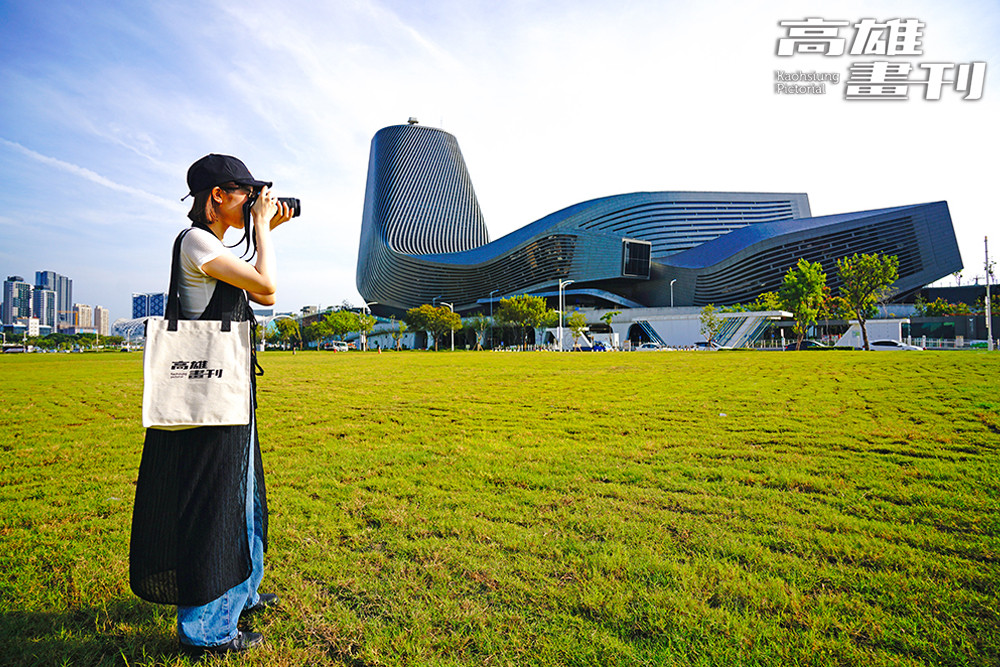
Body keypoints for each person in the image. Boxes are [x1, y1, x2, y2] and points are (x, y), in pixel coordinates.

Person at [129, 154, 294, 657]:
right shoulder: (198, 241)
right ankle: (206, 629)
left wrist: (264, 228)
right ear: (216, 197)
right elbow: (266, 289)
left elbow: (254, 283)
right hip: (207, 396)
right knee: (215, 503)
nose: (253, 201)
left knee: (241, 493)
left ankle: (239, 593)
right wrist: (263, 229)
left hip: (227, 389)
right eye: (245, 192)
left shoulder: (215, 246)